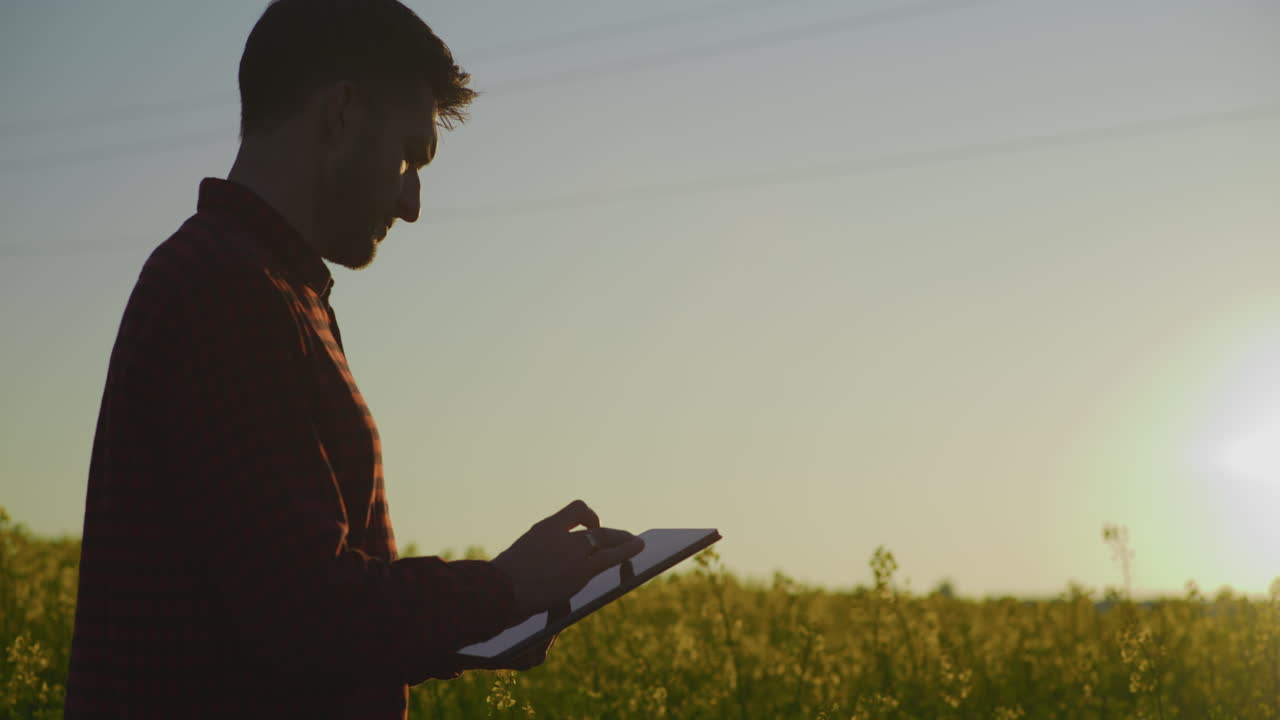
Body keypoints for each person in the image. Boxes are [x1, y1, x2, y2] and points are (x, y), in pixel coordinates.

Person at [64, 1, 643, 717]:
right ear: (340, 115)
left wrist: (503, 617)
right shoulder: (225, 290)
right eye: (409, 155)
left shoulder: (266, 287)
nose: (412, 202)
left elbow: (286, 615)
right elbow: (304, 610)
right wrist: (503, 589)